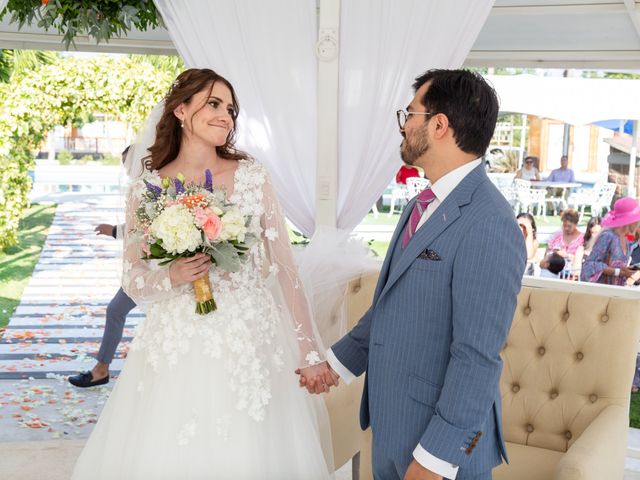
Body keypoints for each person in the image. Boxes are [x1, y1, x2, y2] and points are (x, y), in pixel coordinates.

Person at [72, 68, 332, 479]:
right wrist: (172, 275)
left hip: (250, 341)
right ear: (180, 110)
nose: (226, 115)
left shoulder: (252, 176)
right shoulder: (146, 189)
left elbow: (285, 267)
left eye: (230, 108)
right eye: (213, 103)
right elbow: (133, 277)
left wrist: (310, 352)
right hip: (175, 343)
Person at [300, 69, 525, 480]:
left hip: (437, 457)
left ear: (439, 125)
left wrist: (435, 461)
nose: (403, 127)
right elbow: (392, 307)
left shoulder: (490, 222)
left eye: (410, 114)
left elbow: (476, 359)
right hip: (394, 430)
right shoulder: (420, 205)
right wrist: (334, 365)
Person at [68, 222, 136, 388]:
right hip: (147, 269)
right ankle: (101, 369)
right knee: (115, 310)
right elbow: (145, 221)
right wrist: (115, 231)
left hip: (169, 269)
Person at [581, 197, 640, 286]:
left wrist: (626, 271)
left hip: (616, 291)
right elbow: (590, 265)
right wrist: (619, 272)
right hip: (601, 291)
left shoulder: (626, 238)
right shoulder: (607, 236)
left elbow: (615, 266)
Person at [543, 208, 583, 276]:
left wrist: (567, 255)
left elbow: (581, 259)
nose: (566, 228)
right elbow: (546, 253)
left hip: (572, 273)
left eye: (569, 226)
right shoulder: (557, 236)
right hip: (553, 270)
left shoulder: (582, 239)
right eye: (564, 226)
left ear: (575, 224)